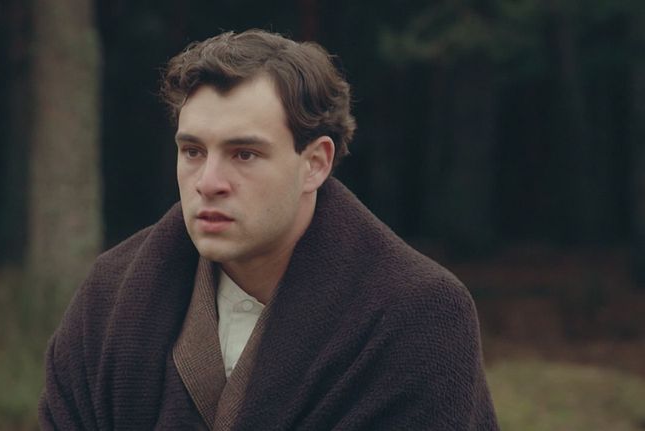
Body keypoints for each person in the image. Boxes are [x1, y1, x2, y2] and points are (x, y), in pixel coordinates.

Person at [39, 29, 499, 430]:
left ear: (315, 163)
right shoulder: (110, 297)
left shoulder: (415, 314)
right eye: (193, 151)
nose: (208, 183)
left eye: (244, 154)